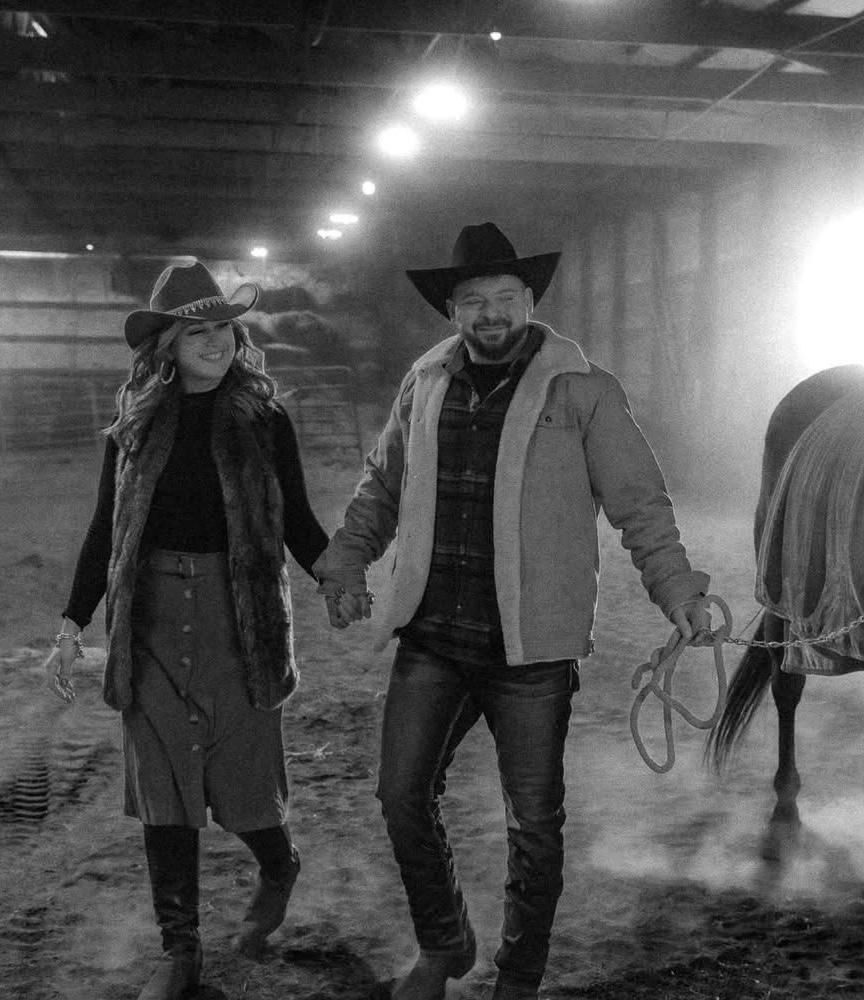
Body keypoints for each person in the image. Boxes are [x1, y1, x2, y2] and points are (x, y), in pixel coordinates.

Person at [313, 222, 712, 1000]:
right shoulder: (424, 383)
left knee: (533, 823)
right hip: (433, 633)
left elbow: (639, 502)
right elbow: (383, 484)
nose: (489, 312)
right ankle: (445, 943)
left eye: (504, 296)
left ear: (530, 300)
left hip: (531, 648)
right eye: (473, 300)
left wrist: (678, 590)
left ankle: (518, 978)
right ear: (452, 310)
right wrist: (346, 560)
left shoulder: (584, 390)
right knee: (401, 796)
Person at [48, 261, 329, 1000]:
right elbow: (106, 531)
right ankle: (180, 949)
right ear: (167, 344)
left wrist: (342, 578)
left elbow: (297, 521)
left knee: (242, 780)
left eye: (223, 327)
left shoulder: (263, 420)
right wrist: (72, 625)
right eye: (196, 330)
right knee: (165, 785)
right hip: (148, 616)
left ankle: (278, 864)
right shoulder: (133, 427)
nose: (215, 341)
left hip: (240, 618)